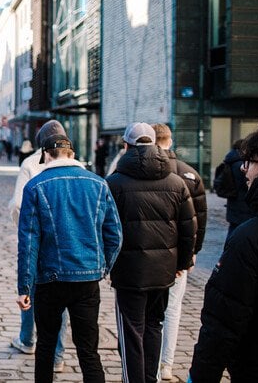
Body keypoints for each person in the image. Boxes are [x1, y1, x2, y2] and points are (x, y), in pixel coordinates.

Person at [17, 134, 122, 382]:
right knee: (88, 351)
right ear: (72, 155)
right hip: (87, 280)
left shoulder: (35, 186)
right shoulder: (98, 184)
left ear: (45, 155)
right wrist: (102, 267)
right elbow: (115, 235)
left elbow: (29, 243)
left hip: (49, 280)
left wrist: (24, 286)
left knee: (45, 348)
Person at [106, 122, 196, 383]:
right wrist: (182, 263)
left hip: (129, 274)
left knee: (131, 332)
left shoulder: (114, 183)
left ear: (126, 146)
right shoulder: (176, 183)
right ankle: (150, 378)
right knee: (154, 326)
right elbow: (188, 227)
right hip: (163, 272)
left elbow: (106, 229)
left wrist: (108, 264)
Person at [189, 124, 258, 382]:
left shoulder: (248, 239)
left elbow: (223, 323)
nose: (244, 168)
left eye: (251, 161)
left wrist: (200, 376)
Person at [8, 120, 71, 371]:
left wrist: (23, 228)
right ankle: (58, 355)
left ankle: (27, 338)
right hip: (64, 238)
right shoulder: (74, 163)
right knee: (62, 295)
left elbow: (17, 204)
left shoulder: (30, 164)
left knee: (29, 287)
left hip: (37, 237)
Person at [152, 123, 208, 380]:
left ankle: (150, 362)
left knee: (150, 311)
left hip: (151, 256)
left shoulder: (146, 172)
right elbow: (200, 218)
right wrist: (193, 252)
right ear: (171, 142)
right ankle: (167, 364)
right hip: (179, 254)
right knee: (172, 309)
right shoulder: (190, 174)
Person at [220, 139, 254, 244]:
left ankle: (227, 254)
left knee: (233, 230)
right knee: (241, 232)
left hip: (233, 202)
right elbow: (247, 183)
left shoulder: (230, 161)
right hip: (244, 204)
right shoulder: (241, 164)